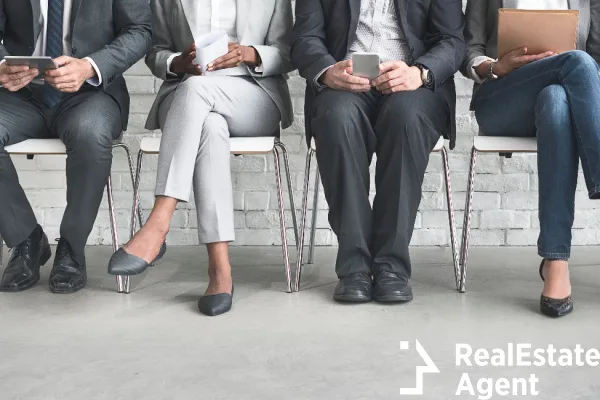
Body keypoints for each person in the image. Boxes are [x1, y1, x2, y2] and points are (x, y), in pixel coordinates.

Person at [108, 0, 294, 316]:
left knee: (198, 92)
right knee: (209, 122)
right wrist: (178, 63)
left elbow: (289, 52)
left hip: (253, 94)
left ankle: (157, 223)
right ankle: (219, 269)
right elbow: (156, 53)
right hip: (187, 98)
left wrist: (251, 53)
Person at [291, 0, 465, 304]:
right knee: (337, 119)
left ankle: (391, 268)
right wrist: (327, 70)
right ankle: (354, 268)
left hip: (413, 85)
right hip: (345, 84)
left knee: (405, 119)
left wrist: (420, 72)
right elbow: (305, 37)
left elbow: (452, 40)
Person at [0, 0, 152, 294]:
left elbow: (141, 29)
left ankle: (71, 247)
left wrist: (90, 66)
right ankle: (26, 240)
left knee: (91, 134)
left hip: (90, 93)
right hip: (21, 94)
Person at [462, 0, 600, 318]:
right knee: (577, 62)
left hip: (565, 99)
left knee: (556, 100)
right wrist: (496, 66)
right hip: (503, 97)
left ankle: (556, 261)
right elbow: (469, 50)